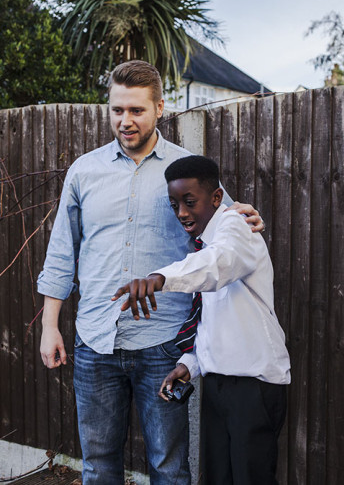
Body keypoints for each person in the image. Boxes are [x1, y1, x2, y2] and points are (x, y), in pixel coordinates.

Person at [38, 60, 264, 485]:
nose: (125, 121)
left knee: (168, 466)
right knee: (97, 464)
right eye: (117, 110)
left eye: (137, 110)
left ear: (160, 107)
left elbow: (227, 227)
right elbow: (61, 254)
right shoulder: (83, 171)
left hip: (162, 343)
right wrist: (50, 326)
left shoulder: (185, 171)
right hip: (95, 340)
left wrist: (248, 217)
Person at [113, 155, 291, 485]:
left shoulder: (236, 228)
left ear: (216, 197)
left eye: (189, 202)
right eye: (174, 203)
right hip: (219, 384)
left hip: (253, 387)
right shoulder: (207, 241)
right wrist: (191, 363)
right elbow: (213, 313)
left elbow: (217, 266)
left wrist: (159, 278)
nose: (181, 212)